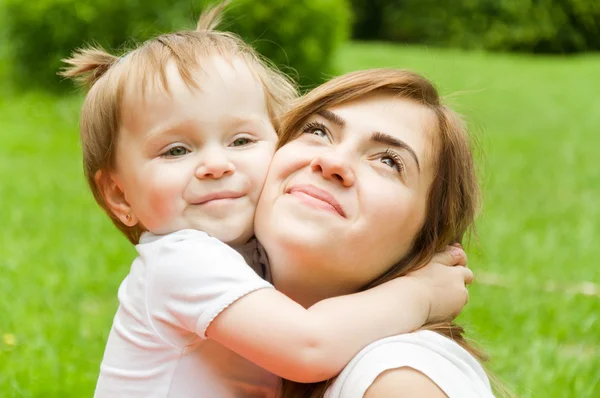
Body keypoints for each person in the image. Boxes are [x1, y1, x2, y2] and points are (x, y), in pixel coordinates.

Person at [60, 4, 473, 397]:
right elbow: (309, 347)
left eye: (241, 140)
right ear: (118, 194)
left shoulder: (252, 260)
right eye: (176, 151)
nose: (216, 165)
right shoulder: (182, 261)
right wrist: (422, 294)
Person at [253, 68, 496, 397]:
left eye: (388, 161)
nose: (332, 161)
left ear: (427, 241)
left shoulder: (398, 379)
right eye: (319, 131)